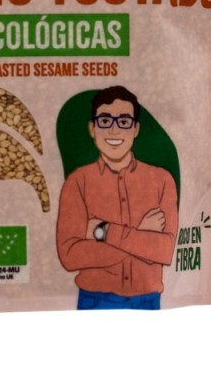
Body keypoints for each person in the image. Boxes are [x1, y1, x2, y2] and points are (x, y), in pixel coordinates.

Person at [56, 85, 178, 310]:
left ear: (136, 129)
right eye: (105, 121)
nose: (114, 130)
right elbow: (70, 256)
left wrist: (103, 231)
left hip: (148, 299)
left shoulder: (162, 180)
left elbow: (164, 250)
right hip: (94, 299)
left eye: (124, 122)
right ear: (92, 129)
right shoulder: (77, 182)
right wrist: (139, 234)